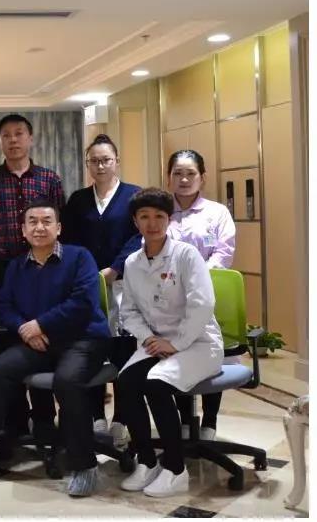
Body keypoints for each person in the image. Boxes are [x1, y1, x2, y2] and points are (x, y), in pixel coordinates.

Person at [0, 199, 110, 498]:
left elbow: (83, 302)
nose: (39, 227)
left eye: (47, 221)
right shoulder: (17, 266)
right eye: (32, 222)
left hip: (82, 340)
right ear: (22, 230)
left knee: (67, 380)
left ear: (59, 228)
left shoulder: (79, 257)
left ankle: (85, 465)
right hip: (37, 342)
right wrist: (24, 328)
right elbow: (4, 306)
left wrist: (40, 324)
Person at [116, 187, 222, 498]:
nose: (152, 223)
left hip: (198, 341)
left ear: (169, 219)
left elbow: (203, 304)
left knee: (156, 384)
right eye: (144, 217)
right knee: (126, 383)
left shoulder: (186, 255)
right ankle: (147, 461)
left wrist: (176, 344)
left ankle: (176, 469)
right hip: (157, 341)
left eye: (159, 216)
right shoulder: (133, 262)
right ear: (135, 221)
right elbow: (128, 311)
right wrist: (149, 338)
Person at [0, 114, 66, 444]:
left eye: (19, 133)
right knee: (8, 343)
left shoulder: (49, 179)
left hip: (43, 268)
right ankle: (14, 420)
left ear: (30, 138)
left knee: (41, 338)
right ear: (0, 141)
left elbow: (60, 225)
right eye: (6, 135)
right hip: (1, 271)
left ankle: (44, 419)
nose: (13, 140)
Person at [60, 134, 142, 445]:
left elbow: (139, 236)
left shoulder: (133, 196)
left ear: (117, 161)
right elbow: (68, 240)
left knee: (123, 351)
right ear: (87, 165)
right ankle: (96, 414)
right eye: (94, 161)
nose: (100, 165)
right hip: (88, 285)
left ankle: (122, 416)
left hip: (124, 283)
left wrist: (115, 268)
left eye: (106, 160)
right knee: (92, 348)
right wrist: (87, 275)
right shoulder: (79, 200)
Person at [165, 149, 236, 442]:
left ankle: (210, 420)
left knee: (209, 352)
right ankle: (184, 419)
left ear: (202, 177)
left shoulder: (216, 212)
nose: (184, 179)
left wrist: (197, 279)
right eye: (178, 173)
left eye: (191, 173)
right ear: (168, 177)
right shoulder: (161, 211)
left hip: (208, 295)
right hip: (171, 298)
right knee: (178, 354)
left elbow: (224, 252)